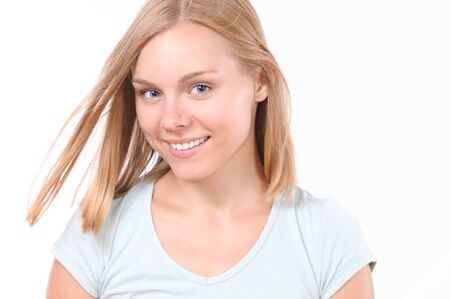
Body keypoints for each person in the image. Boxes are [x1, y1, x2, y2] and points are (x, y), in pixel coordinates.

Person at [26, 0, 377, 298]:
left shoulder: (326, 239)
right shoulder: (98, 233)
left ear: (260, 80)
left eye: (200, 88)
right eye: (151, 93)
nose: (172, 120)